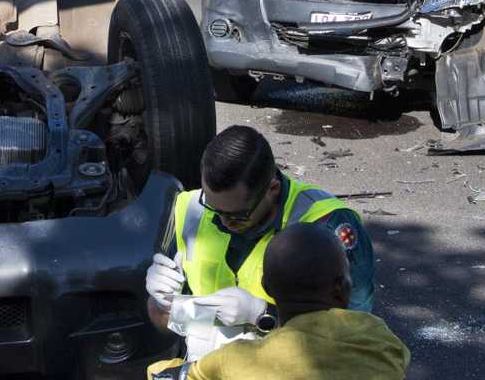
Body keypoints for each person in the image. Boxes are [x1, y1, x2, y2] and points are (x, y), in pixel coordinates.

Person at [145, 125, 376, 335]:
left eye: (237, 215)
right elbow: (169, 324)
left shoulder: (325, 224)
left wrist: (263, 315)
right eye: (213, 208)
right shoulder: (191, 210)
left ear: (272, 189)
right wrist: (160, 304)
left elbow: (353, 336)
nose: (224, 222)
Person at [153, 223, 409, 379]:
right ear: (343, 289)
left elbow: (165, 376)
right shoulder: (378, 338)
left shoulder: (235, 361)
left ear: (266, 287)